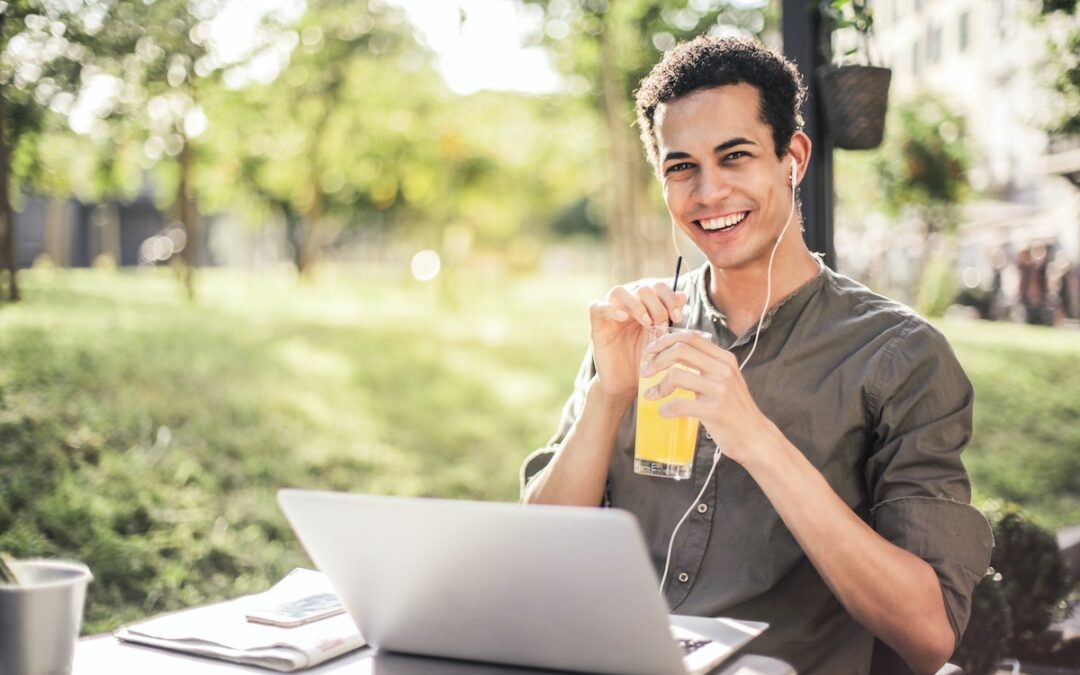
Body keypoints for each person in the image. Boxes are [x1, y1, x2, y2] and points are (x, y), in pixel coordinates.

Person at [520, 36, 992, 675]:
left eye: (734, 156)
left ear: (792, 158)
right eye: (681, 167)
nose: (708, 192)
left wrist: (757, 439)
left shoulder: (900, 356)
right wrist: (608, 395)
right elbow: (536, 559)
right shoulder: (640, 328)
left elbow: (928, 634)